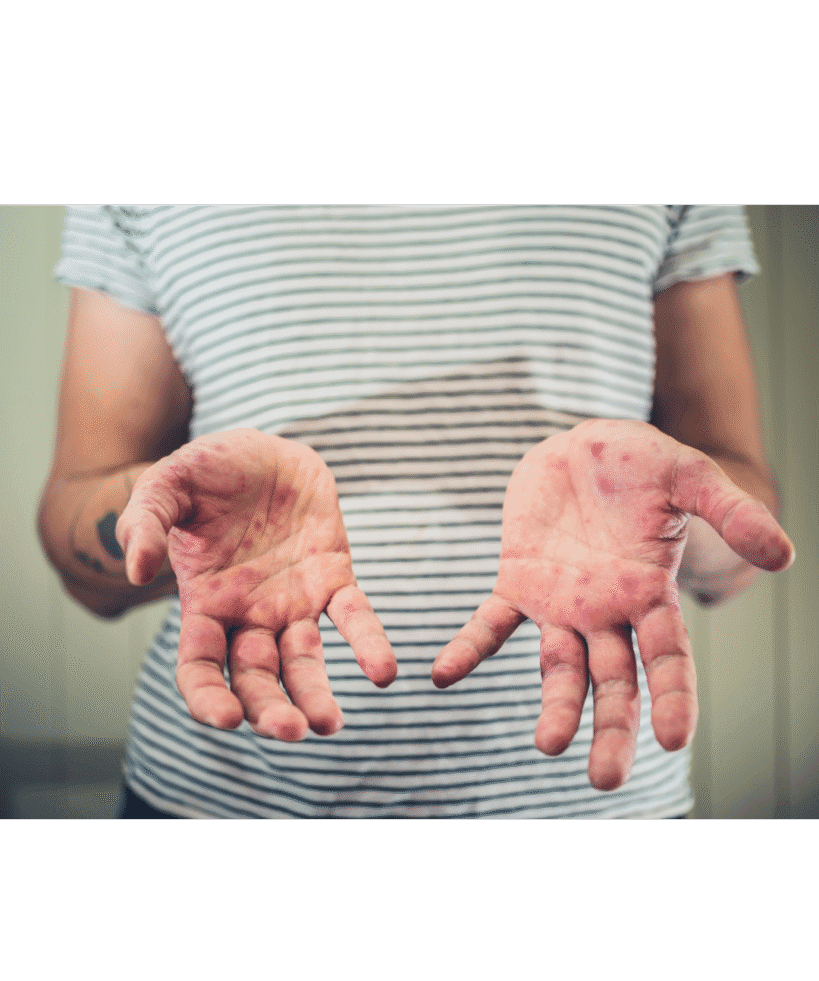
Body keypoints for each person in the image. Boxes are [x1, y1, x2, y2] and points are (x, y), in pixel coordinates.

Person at [38, 205, 795, 819]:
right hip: (220, 799)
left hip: (592, 801)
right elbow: (84, 545)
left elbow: (737, 509)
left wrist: (669, 528)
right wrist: (175, 519)